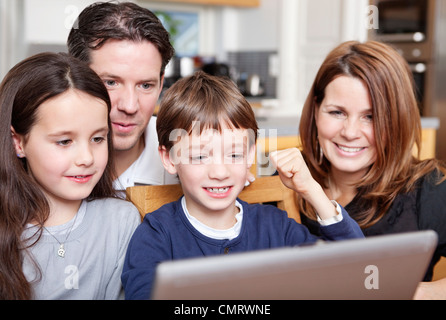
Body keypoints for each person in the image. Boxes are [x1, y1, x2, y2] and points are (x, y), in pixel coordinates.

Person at [121, 71, 364, 300]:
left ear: (250, 156)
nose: (219, 172)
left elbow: (355, 271)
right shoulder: (156, 235)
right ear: (169, 158)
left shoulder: (276, 226)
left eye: (235, 155)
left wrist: (311, 189)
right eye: (199, 157)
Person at [277, 40, 446, 299]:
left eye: (371, 116)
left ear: (397, 120)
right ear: (315, 112)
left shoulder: (429, 188)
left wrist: (416, 293)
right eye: (337, 112)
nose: (350, 132)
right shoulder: (285, 179)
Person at [0, 52, 140, 300]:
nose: (86, 158)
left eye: (98, 139)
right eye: (64, 141)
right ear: (18, 142)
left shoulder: (120, 221)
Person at [67, 2, 179, 194]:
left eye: (145, 85)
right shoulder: (40, 152)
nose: (129, 106)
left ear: (160, 85)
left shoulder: (189, 154)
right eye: (111, 82)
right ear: (75, 77)